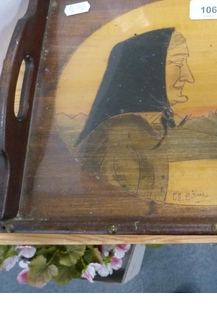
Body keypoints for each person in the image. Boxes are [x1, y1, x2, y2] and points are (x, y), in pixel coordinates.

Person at [74, 28, 194, 199]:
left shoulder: (146, 131)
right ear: (148, 69)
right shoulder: (123, 137)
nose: (188, 77)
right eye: (179, 63)